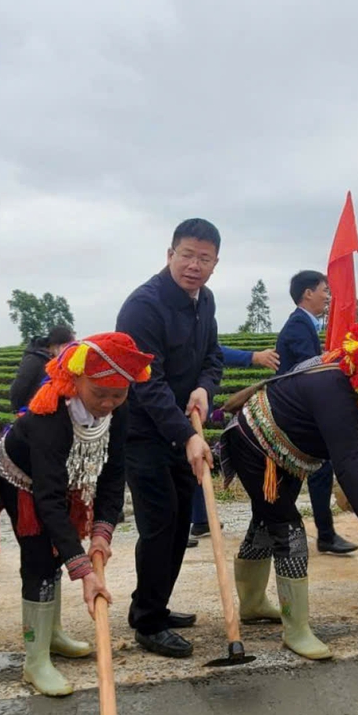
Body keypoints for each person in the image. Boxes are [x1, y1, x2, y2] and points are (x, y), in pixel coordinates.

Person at [223, 305, 358, 660]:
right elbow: (349, 467)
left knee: (267, 521)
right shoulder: (336, 388)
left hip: (291, 454)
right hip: (256, 445)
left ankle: (251, 605)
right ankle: (296, 629)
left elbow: (356, 454)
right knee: (289, 529)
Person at [0, 333, 148, 695]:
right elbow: (48, 500)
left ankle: (54, 634)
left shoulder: (120, 409)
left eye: (118, 394)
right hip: (22, 480)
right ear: (76, 380)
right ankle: (35, 660)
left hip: (67, 479)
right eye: (99, 394)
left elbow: (113, 472)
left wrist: (102, 534)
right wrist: (83, 571)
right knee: (39, 557)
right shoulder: (49, 417)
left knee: (58, 549)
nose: (108, 403)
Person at [117, 218, 223, 658]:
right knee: (160, 527)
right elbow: (148, 382)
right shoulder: (144, 306)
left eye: (205, 258)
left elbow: (212, 357)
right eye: (187, 255)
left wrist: (204, 389)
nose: (194, 266)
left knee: (180, 527)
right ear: (169, 254)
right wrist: (185, 436)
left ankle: (150, 602)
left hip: (183, 432)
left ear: (215, 264)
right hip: (144, 434)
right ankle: (148, 622)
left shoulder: (206, 301)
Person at [274, 270, 355, 556]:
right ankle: (321, 535)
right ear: (308, 293)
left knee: (310, 473)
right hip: (298, 414)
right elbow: (309, 369)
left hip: (301, 410)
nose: (328, 297)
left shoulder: (303, 324)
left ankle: (313, 533)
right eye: (324, 290)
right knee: (316, 470)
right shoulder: (298, 325)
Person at [188, 341, 280, 543]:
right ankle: (182, 524)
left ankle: (200, 519)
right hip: (184, 407)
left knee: (193, 464)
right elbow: (214, 351)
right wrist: (253, 357)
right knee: (184, 465)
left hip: (195, 406)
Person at [9, 324, 76, 412]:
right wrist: (20, 410)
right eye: (67, 346)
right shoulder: (33, 360)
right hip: (32, 412)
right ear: (56, 346)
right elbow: (18, 388)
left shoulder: (59, 362)